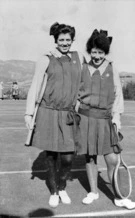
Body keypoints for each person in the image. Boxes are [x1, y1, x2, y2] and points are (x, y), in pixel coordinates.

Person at [76, 29, 135, 209]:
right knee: (90, 158)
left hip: (105, 120)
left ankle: (119, 197)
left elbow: (118, 95)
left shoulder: (112, 68)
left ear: (106, 52)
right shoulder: (83, 68)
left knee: (112, 159)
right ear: (90, 51)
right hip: (86, 118)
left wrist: (116, 118)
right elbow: (76, 95)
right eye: (94, 52)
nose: (96, 56)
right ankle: (93, 192)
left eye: (100, 52)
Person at [25, 22, 84, 208]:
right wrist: (28, 113)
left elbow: (84, 85)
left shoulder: (78, 57)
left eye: (68, 40)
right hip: (48, 112)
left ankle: (62, 185)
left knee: (67, 157)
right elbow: (35, 85)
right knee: (51, 156)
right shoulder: (46, 58)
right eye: (61, 40)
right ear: (55, 40)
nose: (65, 43)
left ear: (72, 40)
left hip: (68, 113)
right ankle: (54, 191)